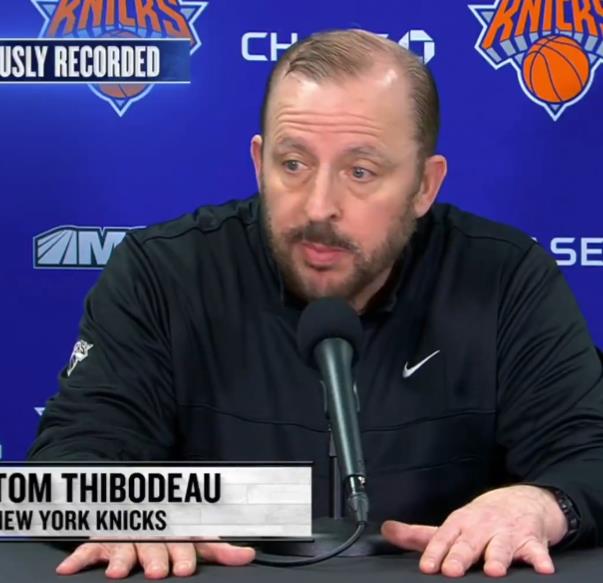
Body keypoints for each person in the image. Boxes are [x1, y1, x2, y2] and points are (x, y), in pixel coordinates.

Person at [29, 29, 603, 579]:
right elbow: (59, 472)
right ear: (259, 163)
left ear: (425, 186)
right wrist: (123, 511)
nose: (318, 206)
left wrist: (541, 503)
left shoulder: (503, 277)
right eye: (293, 164)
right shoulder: (163, 273)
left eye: (361, 171)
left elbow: (590, 450)